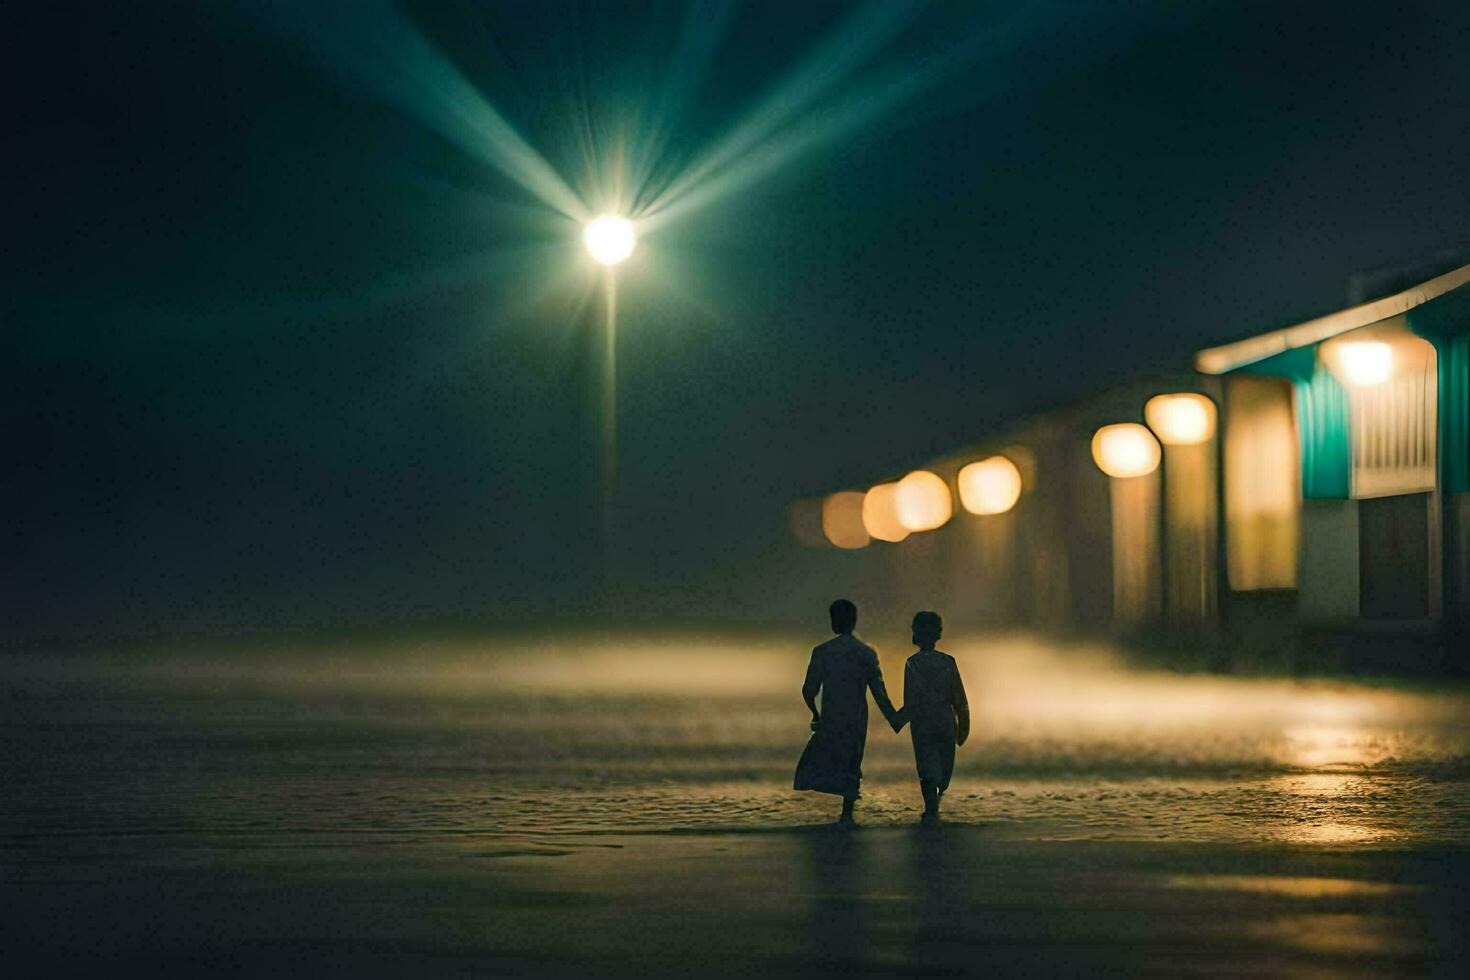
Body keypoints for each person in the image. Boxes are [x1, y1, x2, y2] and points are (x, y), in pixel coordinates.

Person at [794, 599, 904, 826]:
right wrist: (895, 718)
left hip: (832, 716)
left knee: (820, 762)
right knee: (852, 763)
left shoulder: (823, 651)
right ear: (854, 621)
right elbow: (879, 693)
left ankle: (844, 817)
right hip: (856, 717)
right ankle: (847, 814)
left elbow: (808, 690)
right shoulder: (866, 653)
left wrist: (815, 713)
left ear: (835, 621)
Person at [898, 611, 969, 824]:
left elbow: (910, 699)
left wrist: (897, 719)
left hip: (922, 722)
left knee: (926, 763)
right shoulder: (948, 661)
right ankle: (934, 805)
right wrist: (964, 723)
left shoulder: (912, 663)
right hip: (945, 719)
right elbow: (960, 698)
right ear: (938, 634)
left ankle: (931, 808)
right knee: (945, 762)